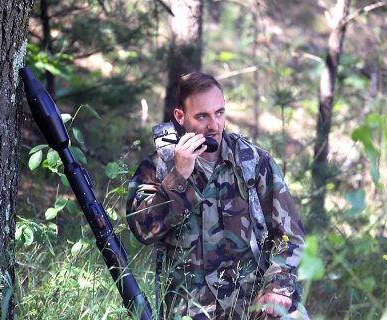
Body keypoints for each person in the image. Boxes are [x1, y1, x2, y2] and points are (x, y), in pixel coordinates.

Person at [126, 72, 309, 319]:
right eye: (202, 116)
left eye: (219, 113)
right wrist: (179, 176)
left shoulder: (253, 162)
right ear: (180, 116)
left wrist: (278, 286)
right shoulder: (159, 167)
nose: (214, 125)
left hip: (252, 303)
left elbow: (289, 235)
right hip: (191, 309)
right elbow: (143, 231)